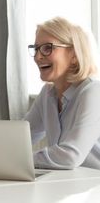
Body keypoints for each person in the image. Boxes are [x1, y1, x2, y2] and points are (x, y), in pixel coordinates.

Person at [25, 17, 100, 170]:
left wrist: (21, 160)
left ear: (73, 55)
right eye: (36, 48)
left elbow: (70, 156)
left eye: (47, 48)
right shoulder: (47, 94)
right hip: (70, 184)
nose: (38, 57)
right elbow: (21, 138)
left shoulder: (93, 92)